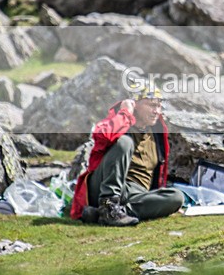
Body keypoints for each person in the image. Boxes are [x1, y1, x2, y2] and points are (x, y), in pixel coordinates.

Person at [69, 86, 184, 226]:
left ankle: (108, 214)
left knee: (176, 197)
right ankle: (108, 206)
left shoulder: (157, 133)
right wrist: (125, 113)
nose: (157, 111)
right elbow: (103, 136)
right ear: (134, 104)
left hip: (136, 194)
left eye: (160, 106)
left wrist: (161, 205)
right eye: (152, 105)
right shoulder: (120, 122)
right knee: (124, 142)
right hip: (103, 187)